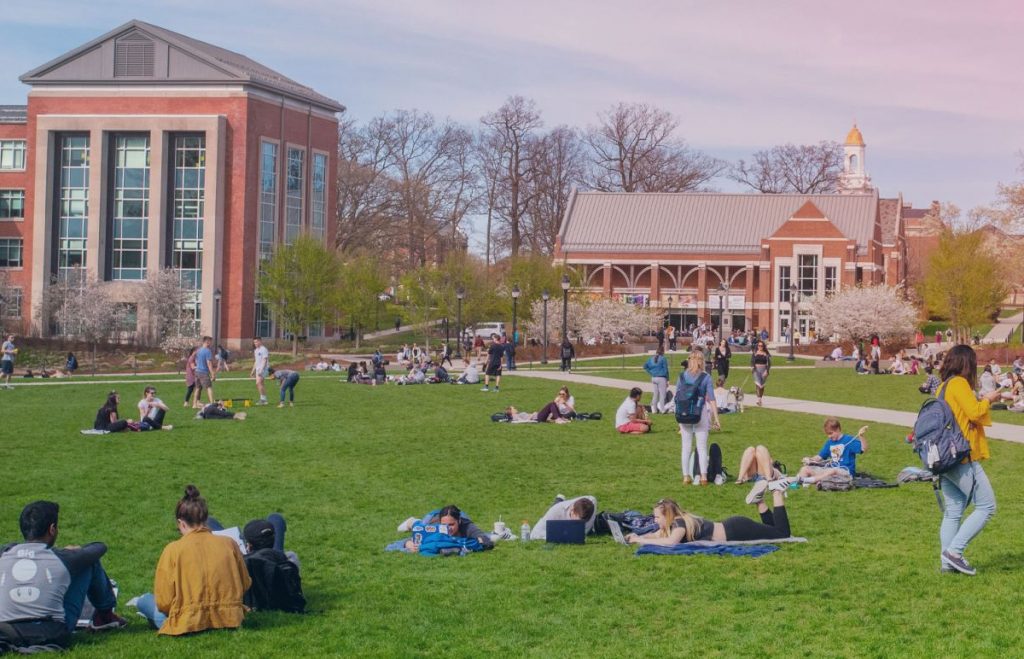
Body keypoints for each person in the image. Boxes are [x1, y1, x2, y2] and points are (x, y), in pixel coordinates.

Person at [0, 501, 126, 652]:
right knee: (89, 563)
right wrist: (75, 551)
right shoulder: (63, 558)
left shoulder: (4, 555)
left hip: (8, 631)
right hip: (51, 632)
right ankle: (105, 617)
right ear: (52, 529)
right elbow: (99, 547)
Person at [135, 485, 251, 634]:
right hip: (229, 619)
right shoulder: (229, 543)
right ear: (205, 519)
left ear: (181, 523)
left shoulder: (173, 549)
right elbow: (245, 583)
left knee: (144, 600)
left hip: (188, 622)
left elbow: (164, 602)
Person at [934, 344, 1000, 576]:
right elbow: (974, 412)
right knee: (987, 506)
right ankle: (954, 553)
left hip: (944, 458)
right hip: (962, 457)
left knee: (953, 510)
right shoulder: (959, 383)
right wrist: (989, 399)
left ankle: (946, 564)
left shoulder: (942, 386)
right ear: (967, 363)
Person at [204, 514, 305, 614]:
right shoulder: (287, 562)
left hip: (252, 562)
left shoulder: (243, 563)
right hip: (275, 560)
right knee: (276, 518)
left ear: (249, 546)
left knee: (209, 521)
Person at [625, 491, 792, 546]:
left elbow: (671, 542)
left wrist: (642, 541)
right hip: (733, 527)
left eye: (657, 517)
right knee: (773, 531)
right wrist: (637, 537)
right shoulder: (676, 522)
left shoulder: (679, 523)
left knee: (783, 534)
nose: (655, 521)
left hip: (736, 530)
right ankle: (760, 502)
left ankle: (777, 492)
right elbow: (657, 536)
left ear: (667, 516)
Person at [676, 351, 721, 485]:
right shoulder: (705, 377)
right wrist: (716, 419)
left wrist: (678, 420)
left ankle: (686, 476)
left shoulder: (682, 376)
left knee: (686, 447)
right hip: (699, 413)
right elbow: (712, 399)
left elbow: (676, 398)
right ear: (702, 361)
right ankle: (703, 477)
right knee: (701, 447)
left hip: (684, 414)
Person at [794, 418, 868, 483]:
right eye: (827, 434)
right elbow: (820, 457)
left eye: (831, 433)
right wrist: (810, 460)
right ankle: (795, 481)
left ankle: (808, 481)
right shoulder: (829, 443)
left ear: (838, 429)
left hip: (845, 473)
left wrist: (861, 436)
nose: (829, 436)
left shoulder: (848, 440)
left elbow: (863, 449)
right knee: (805, 469)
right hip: (829, 470)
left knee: (833, 470)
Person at [399, 505, 494, 554]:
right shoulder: (435, 526)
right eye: (444, 525)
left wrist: (481, 541)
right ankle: (412, 521)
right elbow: (415, 537)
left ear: (459, 521)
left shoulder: (467, 527)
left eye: (452, 524)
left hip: (459, 515)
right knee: (418, 526)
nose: (448, 528)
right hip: (432, 517)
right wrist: (409, 544)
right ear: (440, 523)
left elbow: (485, 539)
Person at [529, 496, 597, 541]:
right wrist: (558, 536)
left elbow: (583, 533)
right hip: (559, 511)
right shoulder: (556, 510)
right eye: (577, 521)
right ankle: (558, 501)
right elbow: (534, 534)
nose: (578, 524)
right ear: (572, 511)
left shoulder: (592, 503)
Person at [643, 347, 670, 414]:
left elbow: (645, 366)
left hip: (654, 378)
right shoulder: (663, 359)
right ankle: (662, 409)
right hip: (661, 378)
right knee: (662, 395)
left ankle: (654, 410)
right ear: (663, 352)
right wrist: (668, 379)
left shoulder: (651, 359)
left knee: (655, 394)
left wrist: (651, 372)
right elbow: (666, 370)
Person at [194, 335, 217, 404]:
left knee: (197, 388)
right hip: (204, 372)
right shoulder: (207, 351)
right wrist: (213, 374)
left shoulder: (198, 350)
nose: (211, 343)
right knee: (209, 387)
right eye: (210, 342)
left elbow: (196, 360)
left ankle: (194, 404)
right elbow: (209, 363)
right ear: (207, 342)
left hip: (197, 371)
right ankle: (212, 403)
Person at [751, 340, 771, 406]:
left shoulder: (766, 354)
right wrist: (752, 367)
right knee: (758, 384)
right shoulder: (755, 353)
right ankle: (758, 400)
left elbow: (769, 364)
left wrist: (767, 371)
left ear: (763, 347)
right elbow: (752, 361)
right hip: (756, 370)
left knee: (762, 385)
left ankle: (760, 399)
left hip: (764, 370)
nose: (760, 347)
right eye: (759, 346)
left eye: (761, 346)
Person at [250, 338, 269, 405]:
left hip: (264, 369)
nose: (255, 343)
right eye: (254, 342)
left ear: (260, 341)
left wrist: (261, 369)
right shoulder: (256, 350)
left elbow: (264, 360)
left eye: (257, 342)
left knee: (258, 383)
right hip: (258, 369)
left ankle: (263, 400)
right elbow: (256, 361)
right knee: (260, 384)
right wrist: (252, 371)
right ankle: (264, 400)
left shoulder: (264, 349)